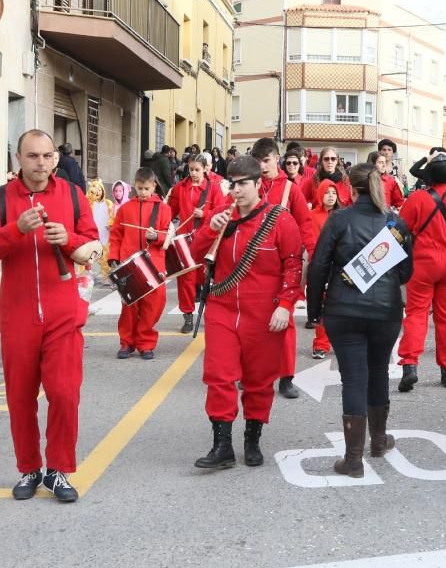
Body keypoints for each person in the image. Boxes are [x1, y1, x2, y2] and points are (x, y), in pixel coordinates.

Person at [0, 129, 100, 502]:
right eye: (32, 156)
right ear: (19, 159)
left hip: (63, 311)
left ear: (55, 158)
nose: (40, 163)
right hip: (18, 314)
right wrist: (15, 230)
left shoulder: (74, 196)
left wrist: (70, 241)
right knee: (20, 397)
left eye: (47, 155)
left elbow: (94, 247)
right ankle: (29, 468)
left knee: (64, 392)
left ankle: (58, 470)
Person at [191, 156, 302, 469]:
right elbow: (198, 257)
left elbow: (293, 264)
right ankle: (222, 445)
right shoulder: (221, 216)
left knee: (259, 380)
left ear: (258, 185)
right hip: (223, 307)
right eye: (232, 183)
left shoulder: (280, 220)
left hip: (263, 312)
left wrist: (285, 305)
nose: (236, 190)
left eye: (243, 184)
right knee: (218, 376)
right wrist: (207, 232)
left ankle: (252, 439)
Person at [307, 164, 413, 477]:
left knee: (353, 378)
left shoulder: (339, 219)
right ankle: (378, 441)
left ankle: (353, 458)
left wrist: (314, 310)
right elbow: (406, 273)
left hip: (344, 310)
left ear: (350, 190)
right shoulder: (395, 223)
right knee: (378, 370)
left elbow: (318, 266)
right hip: (385, 311)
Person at [250, 138, 316, 399]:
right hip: (253, 267)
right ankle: (253, 373)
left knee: (285, 322)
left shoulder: (291, 189)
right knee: (253, 323)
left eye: (266, 160)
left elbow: (305, 225)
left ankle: (286, 376)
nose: (262, 166)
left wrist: (311, 258)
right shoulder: (249, 186)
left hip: (284, 267)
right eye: (258, 162)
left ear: (276, 158)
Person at [397, 151, 446, 391]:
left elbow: (401, 229)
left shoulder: (417, 198)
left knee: (416, 314)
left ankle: (409, 364)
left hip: (424, 264)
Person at [108, 168, 172, 360]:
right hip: (129, 264)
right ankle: (126, 343)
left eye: (146, 188)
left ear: (153, 186)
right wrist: (113, 256)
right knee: (129, 306)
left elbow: (169, 235)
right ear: (134, 186)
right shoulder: (125, 209)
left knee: (154, 304)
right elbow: (116, 234)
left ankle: (146, 342)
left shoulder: (163, 208)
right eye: (139, 188)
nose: (143, 192)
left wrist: (157, 236)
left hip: (154, 263)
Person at [167, 154, 224, 333]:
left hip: (205, 239)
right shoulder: (180, 188)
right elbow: (169, 211)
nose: (193, 173)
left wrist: (205, 215)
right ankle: (188, 316)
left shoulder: (214, 188)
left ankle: (211, 314)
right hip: (185, 240)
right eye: (191, 169)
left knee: (207, 279)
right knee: (185, 280)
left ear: (205, 169)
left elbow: (221, 211)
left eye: (197, 170)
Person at [308, 179, 340, 359]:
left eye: (334, 193)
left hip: (339, 266)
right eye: (327, 192)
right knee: (320, 306)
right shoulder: (312, 215)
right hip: (320, 267)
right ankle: (321, 344)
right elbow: (312, 242)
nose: (330, 196)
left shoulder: (342, 215)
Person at [86, 179, 113, 279]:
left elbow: (112, 216)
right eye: (95, 190)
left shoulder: (108, 203)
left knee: (105, 255)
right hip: (92, 234)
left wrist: (111, 223)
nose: (97, 192)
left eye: (99, 190)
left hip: (105, 233)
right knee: (91, 255)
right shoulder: (88, 204)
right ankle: (89, 274)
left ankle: (105, 275)